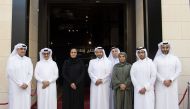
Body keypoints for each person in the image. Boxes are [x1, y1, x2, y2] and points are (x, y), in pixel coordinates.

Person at [154, 41, 181, 109]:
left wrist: (171, 79)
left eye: (167, 47)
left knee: (172, 100)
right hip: (160, 85)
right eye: (163, 47)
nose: (165, 49)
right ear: (161, 48)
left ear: (169, 48)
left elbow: (178, 70)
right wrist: (163, 80)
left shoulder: (175, 59)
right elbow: (154, 71)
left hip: (172, 84)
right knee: (161, 101)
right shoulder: (157, 59)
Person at [6, 43, 33, 109]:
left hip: (26, 86)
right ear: (17, 50)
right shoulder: (12, 59)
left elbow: (30, 72)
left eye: (24, 49)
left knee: (25, 102)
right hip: (15, 87)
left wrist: (26, 83)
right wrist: (20, 83)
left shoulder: (28, 59)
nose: (23, 50)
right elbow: (11, 73)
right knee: (15, 103)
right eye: (21, 49)